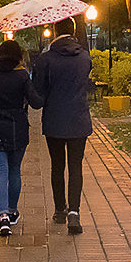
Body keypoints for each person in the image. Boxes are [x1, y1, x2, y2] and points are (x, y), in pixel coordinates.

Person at [32, 16, 93, 235]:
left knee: (57, 165)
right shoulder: (85, 57)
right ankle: (74, 213)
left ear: (56, 32)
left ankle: (59, 210)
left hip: (55, 120)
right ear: (73, 30)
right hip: (78, 119)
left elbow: (38, 91)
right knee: (76, 166)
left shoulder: (46, 59)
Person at [0, 40, 43, 237]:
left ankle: (3, 217)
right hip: (17, 127)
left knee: (0, 172)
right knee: (14, 171)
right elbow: (35, 103)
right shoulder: (22, 76)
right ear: (17, 57)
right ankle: (13, 211)